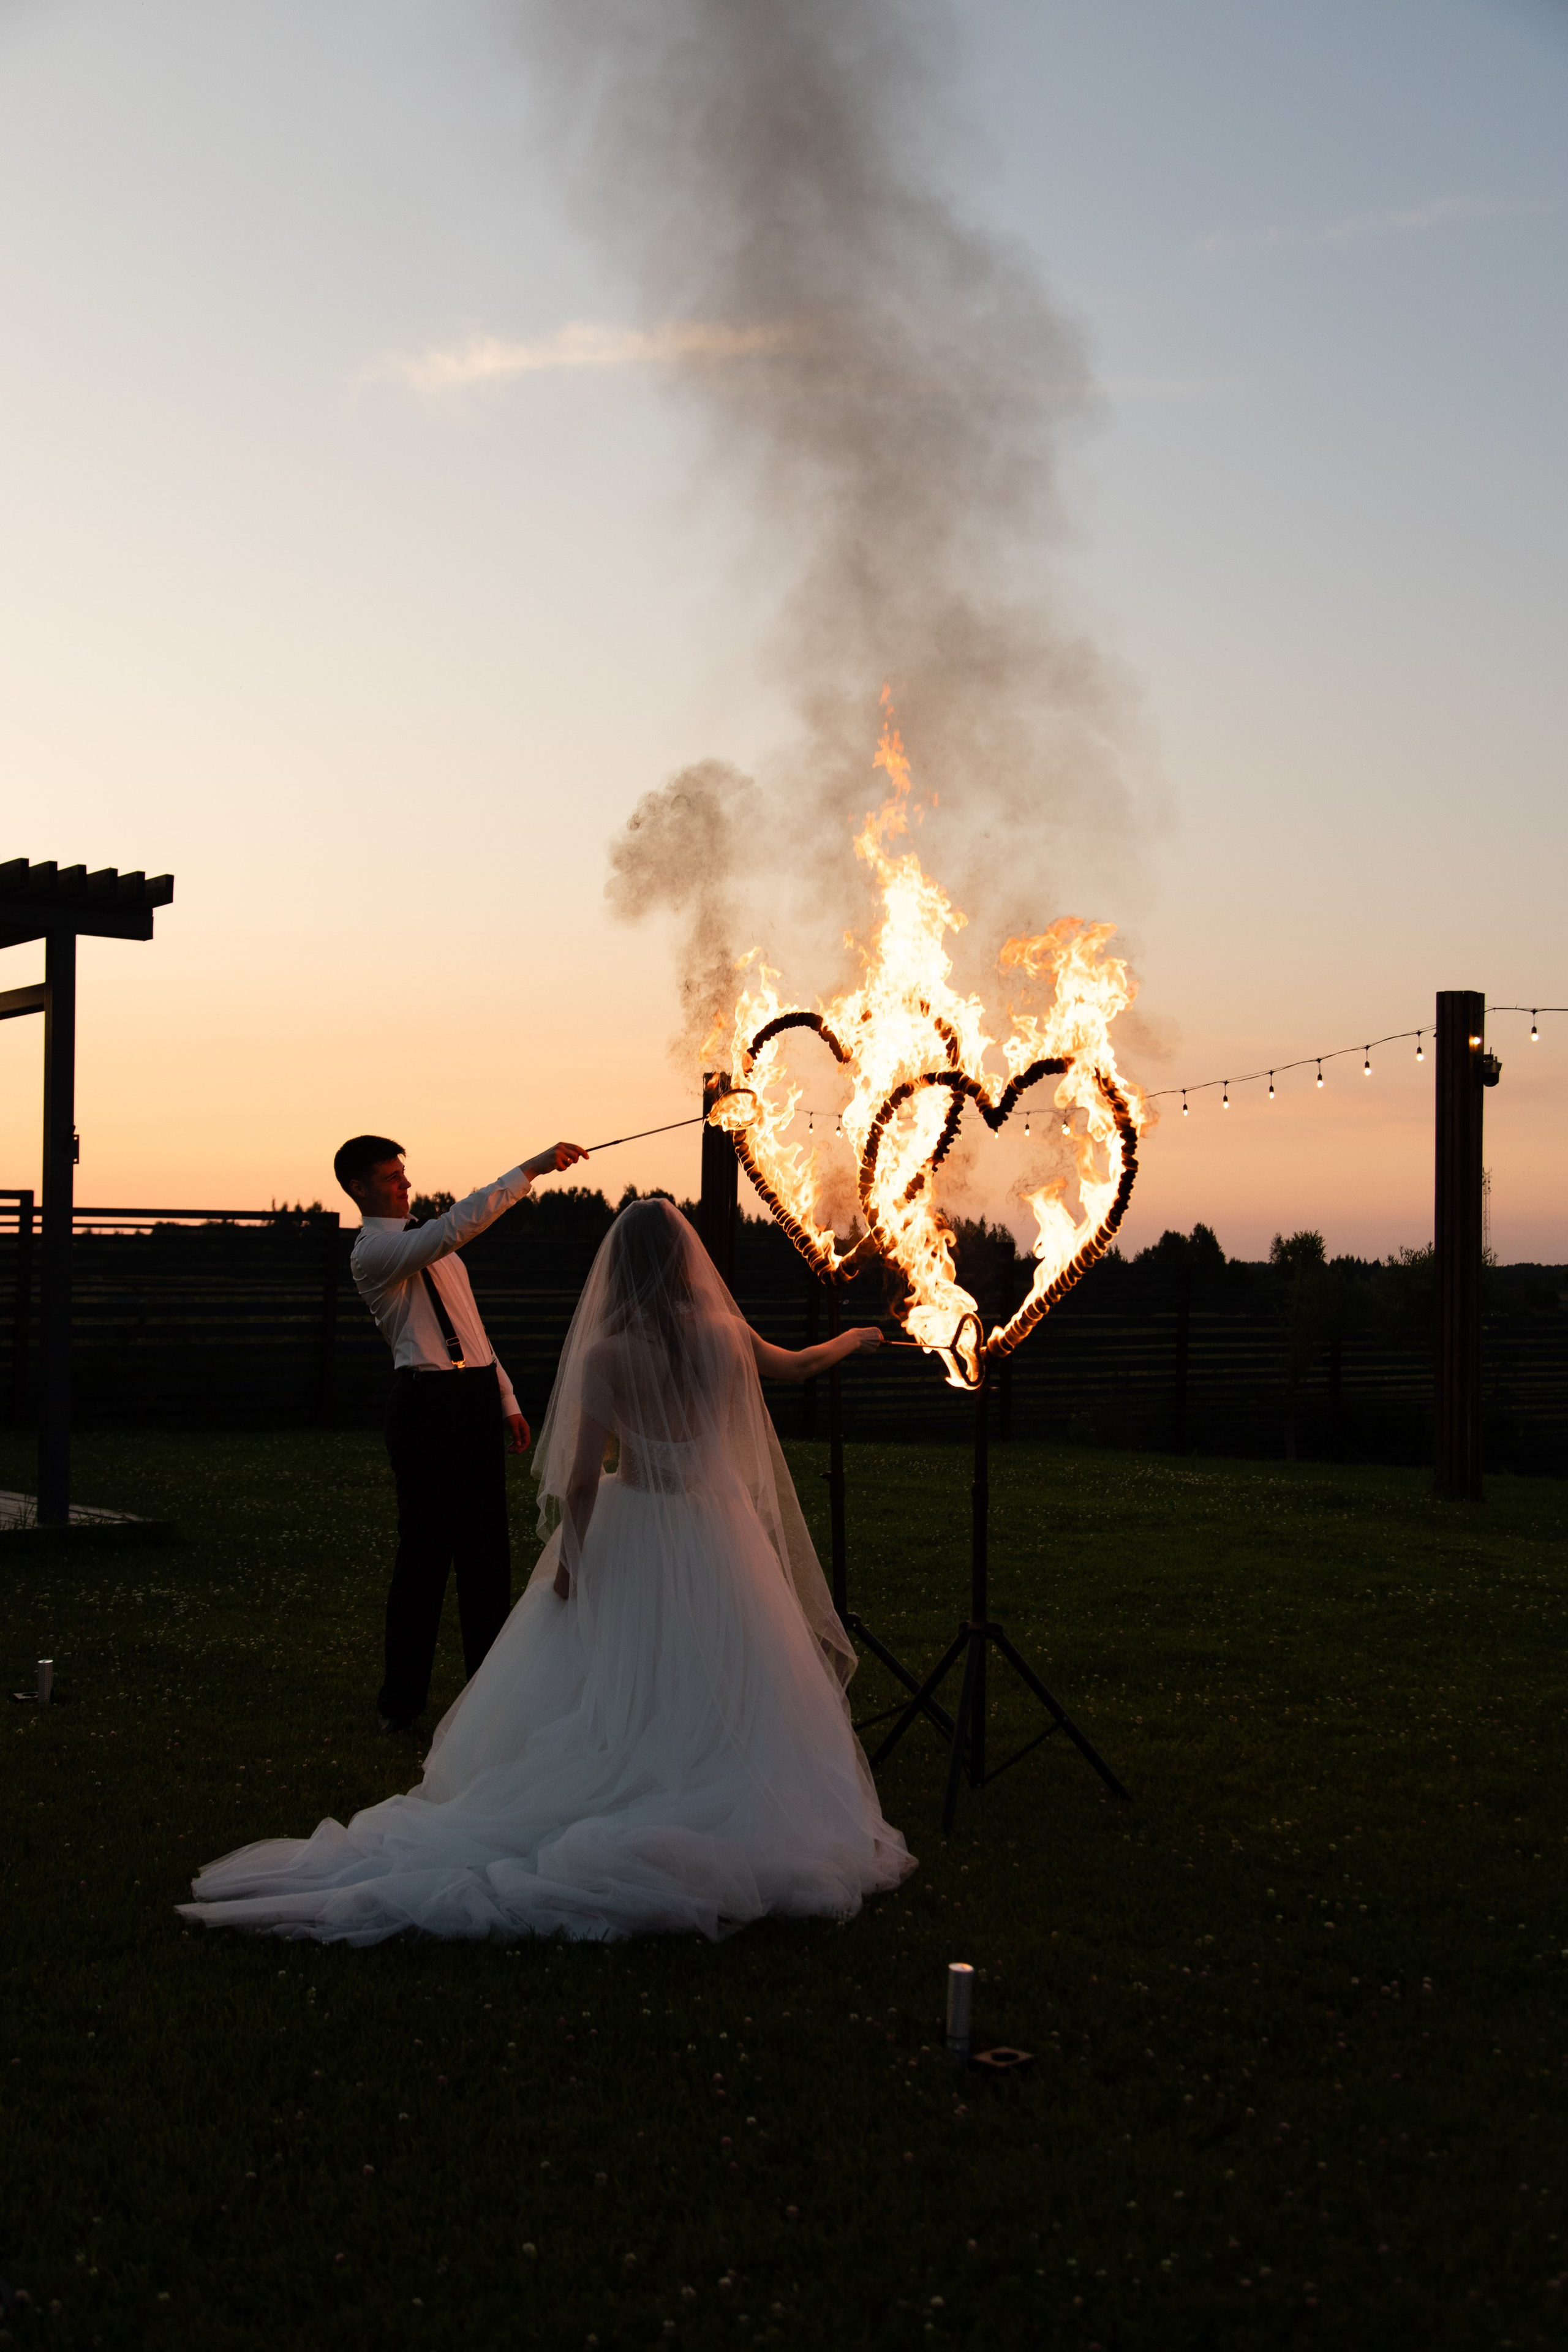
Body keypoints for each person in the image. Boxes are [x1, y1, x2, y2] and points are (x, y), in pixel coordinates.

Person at [179, 1197, 912, 1943]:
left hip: (637, 1522)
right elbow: (795, 1367)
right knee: (721, 1663)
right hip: (715, 1528)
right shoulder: (725, 1334)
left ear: (618, 1272)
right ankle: (708, 1782)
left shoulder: (609, 1353)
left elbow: (587, 1474)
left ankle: (626, 1777)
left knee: (611, 1667)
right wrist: (852, 1338)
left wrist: (573, 1562)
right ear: (690, 1263)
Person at [332, 1133, 587, 1736]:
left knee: (485, 1557)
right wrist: (529, 1169)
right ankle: (402, 1704)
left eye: (403, 1172)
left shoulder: (431, 1244)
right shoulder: (375, 1251)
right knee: (425, 1556)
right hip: (426, 1405)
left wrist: (505, 1400)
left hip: (471, 1397)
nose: (404, 1182)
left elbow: (470, 1328)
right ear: (358, 1188)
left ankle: (489, 1695)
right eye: (391, 1176)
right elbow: (451, 1230)